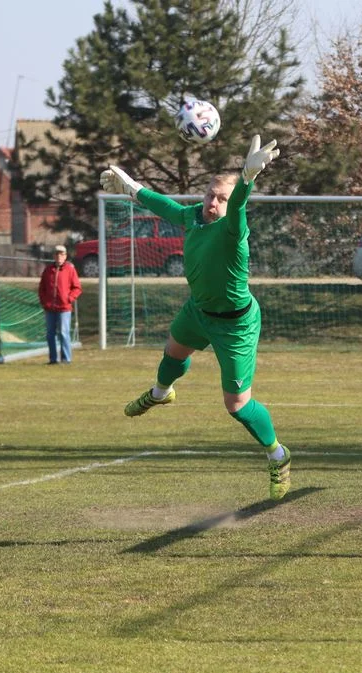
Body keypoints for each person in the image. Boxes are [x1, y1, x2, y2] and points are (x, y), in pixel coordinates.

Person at [100, 135, 291, 500]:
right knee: (174, 350)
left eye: (221, 198)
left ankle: (278, 455)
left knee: (237, 406)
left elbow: (237, 208)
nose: (213, 204)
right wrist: (132, 187)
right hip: (198, 310)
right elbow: (165, 206)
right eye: (210, 195)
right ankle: (161, 393)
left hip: (235, 323)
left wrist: (247, 180)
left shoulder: (234, 230)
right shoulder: (193, 218)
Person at [38, 244, 81, 365]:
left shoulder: (70, 269)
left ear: (65, 256)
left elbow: (77, 288)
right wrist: (44, 301)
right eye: (57, 254)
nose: (59, 257)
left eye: (62, 254)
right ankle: (53, 359)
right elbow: (42, 288)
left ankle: (66, 359)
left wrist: (69, 298)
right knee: (50, 334)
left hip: (64, 308)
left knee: (63, 332)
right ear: (54, 256)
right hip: (50, 307)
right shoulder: (48, 270)